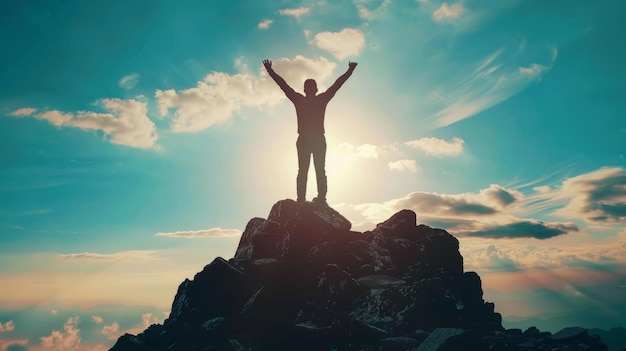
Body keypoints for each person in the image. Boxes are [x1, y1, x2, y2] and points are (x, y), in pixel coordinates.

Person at [263, 59, 357, 205]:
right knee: (317, 170)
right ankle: (318, 199)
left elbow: (284, 86)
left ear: (306, 90)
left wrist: (270, 70)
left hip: (308, 139)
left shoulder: (300, 99)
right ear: (315, 89)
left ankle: (304, 199)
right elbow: (336, 85)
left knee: (305, 170)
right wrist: (350, 70)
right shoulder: (320, 99)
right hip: (314, 139)